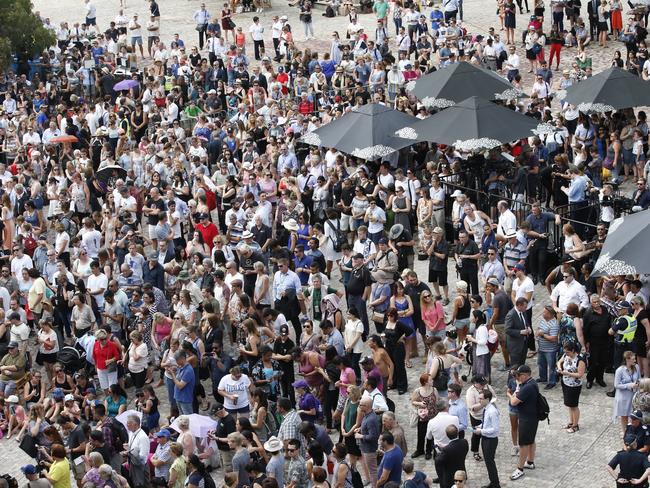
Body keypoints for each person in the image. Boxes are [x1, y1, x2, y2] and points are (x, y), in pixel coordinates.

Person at [507, 365, 538, 481]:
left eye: (519, 375)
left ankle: (519, 469)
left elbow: (514, 402)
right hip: (531, 417)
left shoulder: (527, 387)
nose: (517, 378)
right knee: (531, 440)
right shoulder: (531, 383)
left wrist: (511, 395)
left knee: (524, 444)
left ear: (525, 375)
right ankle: (530, 461)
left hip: (526, 418)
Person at [557, 341, 587, 433]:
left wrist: (567, 373)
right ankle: (571, 422)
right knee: (569, 405)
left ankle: (575, 425)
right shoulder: (566, 355)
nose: (566, 354)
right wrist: (560, 368)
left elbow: (580, 374)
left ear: (573, 350)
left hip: (574, 386)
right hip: (566, 383)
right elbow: (559, 362)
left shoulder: (580, 360)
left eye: (568, 352)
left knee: (574, 405)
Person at [475, 388, 501, 488]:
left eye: (481, 399)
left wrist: (481, 431)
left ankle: (495, 484)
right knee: (488, 462)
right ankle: (493, 482)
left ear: (487, 399)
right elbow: (486, 423)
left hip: (490, 440)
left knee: (490, 462)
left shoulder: (492, 411)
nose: (479, 401)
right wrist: (480, 427)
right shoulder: (486, 409)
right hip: (485, 438)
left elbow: (495, 429)